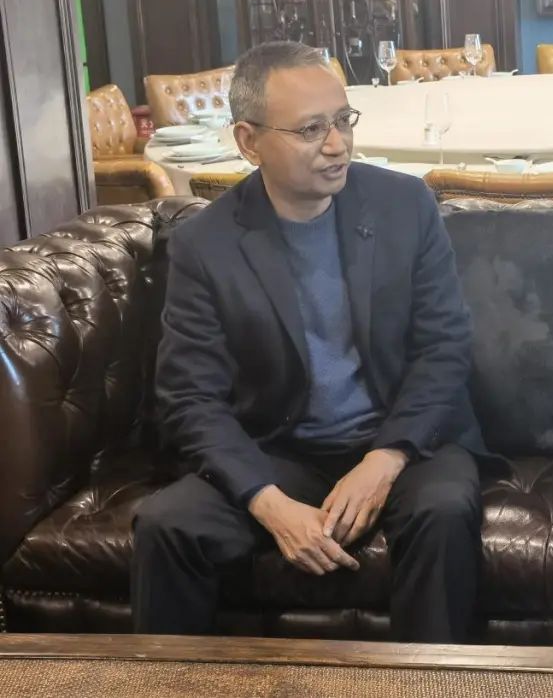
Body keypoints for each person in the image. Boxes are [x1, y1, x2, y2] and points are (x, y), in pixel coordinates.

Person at [132, 41, 486, 641]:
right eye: (311, 129)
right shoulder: (206, 244)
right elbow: (189, 397)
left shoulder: (404, 205)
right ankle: (168, 683)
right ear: (248, 142)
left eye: (343, 120)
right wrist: (265, 501)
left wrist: (386, 458)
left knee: (444, 511)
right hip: (281, 449)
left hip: (403, 439)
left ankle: (432, 683)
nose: (337, 144)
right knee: (168, 526)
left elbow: (444, 347)